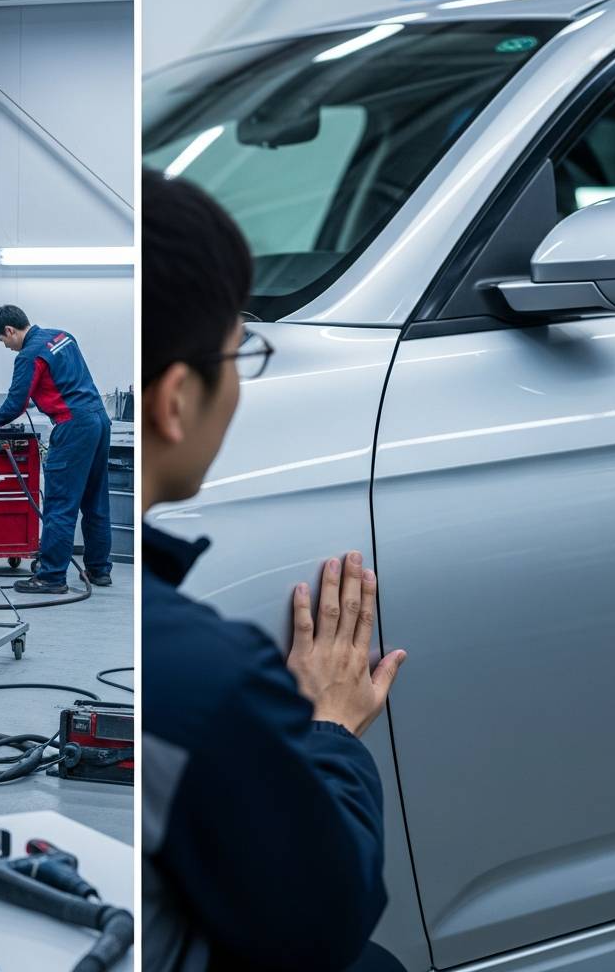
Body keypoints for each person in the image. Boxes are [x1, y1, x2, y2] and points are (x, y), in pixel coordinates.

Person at [142, 169, 408, 972]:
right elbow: (326, 919)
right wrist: (329, 727)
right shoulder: (207, 676)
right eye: (241, 350)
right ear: (179, 398)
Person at [0, 305, 113, 594]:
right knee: (95, 500)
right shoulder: (62, 336)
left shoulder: (29, 354)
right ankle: (99, 570)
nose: (7, 347)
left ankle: (51, 577)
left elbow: (16, 404)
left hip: (73, 426)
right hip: (99, 420)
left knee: (60, 505)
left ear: (10, 331)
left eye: (3, 341)